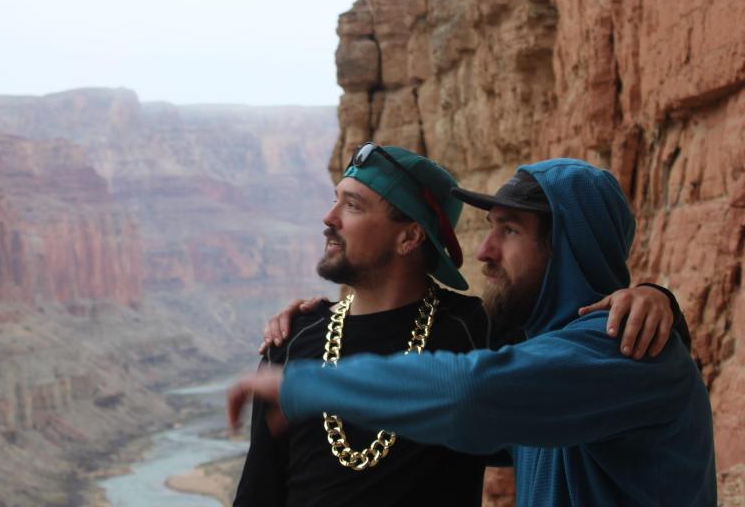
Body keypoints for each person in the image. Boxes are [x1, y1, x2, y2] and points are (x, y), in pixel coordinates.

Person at [232, 147, 686, 507]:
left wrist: (307, 387)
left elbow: (470, 393)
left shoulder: (624, 350)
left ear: (568, 248)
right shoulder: (535, 351)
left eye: (508, 230)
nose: (484, 251)